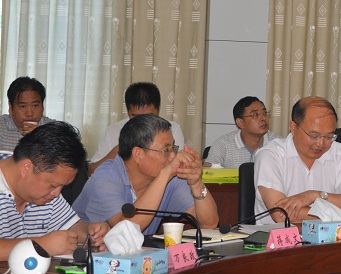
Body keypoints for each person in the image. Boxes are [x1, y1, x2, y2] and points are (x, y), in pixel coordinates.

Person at [73, 114, 218, 235]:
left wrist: (196, 183)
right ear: (138, 154)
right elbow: (126, 231)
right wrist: (165, 174)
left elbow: (209, 224)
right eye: (166, 150)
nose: (173, 156)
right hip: (85, 255)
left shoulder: (168, 176)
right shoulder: (106, 176)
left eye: (173, 148)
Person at [0, 121, 108, 260]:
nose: (57, 193)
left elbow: (72, 228)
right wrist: (40, 245)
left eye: (63, 186)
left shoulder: (47, 193)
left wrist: (92, 235)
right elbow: (47, 244)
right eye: (53, 185)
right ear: (26, 167)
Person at [254, 96, 341, 224]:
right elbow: (281, 214)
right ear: (293, 127)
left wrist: (314, 196)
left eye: (329, 136)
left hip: (330, 236)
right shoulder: (270, 155)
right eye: (314, 135)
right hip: (278, 236)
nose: (321, 143)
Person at [88, 82, 185, 175]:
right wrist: (117, 151)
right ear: (128, 112)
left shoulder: (171, 130)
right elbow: (92, 172)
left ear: (158, 111)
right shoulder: (112, 132)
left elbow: (180, 169)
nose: (143, 122)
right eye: (136, 117)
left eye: (149, 117)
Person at [205, 96, 280, 168]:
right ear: (240, 123)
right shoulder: (223, 145)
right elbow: (208, 172)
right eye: (255, 115)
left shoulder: (278, 144)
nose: (263, 118)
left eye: (264, 113)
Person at [0, 77, 55, 151]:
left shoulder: (54, 130)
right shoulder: (1, 127)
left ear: (42, 106)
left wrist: (40, 137)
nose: (29, 113)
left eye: (35, 106)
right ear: (10, 107)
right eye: (23, 106)